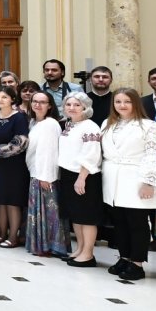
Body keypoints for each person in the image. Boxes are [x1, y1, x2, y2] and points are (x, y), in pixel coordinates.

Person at [100, 88, 156, 281]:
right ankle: (124, 257)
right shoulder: (107, 123)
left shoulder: (148, 126)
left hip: (137, 178)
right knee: (119, 222)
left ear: (135, 104)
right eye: (118, 102)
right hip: (113, 178)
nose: (122, 105)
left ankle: (137, 263)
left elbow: (155, 155)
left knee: (137, 223)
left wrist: (149, 182)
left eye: (127, 102)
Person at [58, 92, 103, 267]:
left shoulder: (89, 126)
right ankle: (80, 248)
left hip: (85, 176)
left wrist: (82, 177)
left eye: (77, 105)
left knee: (86, 217)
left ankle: (88, 254)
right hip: (68, 174)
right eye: (69, 104)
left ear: (85, 107)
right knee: (75, 216)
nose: (72, 108)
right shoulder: (70, 124)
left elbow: (91, 154)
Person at [25, 91, 68, 257]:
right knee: (40, 211)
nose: (38, 105)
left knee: (49, 212)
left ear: (49, 105)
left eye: (42, 102)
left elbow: (50, 152)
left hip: (44, 175)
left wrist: (46, 176)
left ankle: (50, 245)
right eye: (35, 101)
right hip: (35, 172)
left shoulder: (50, 124)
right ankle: (41, 244)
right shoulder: (34, 122)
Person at [0, 87, 29, 248]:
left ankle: (13, 237)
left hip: (14, 166)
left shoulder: (19, 117)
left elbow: (21, 143)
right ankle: (2, 233)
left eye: (4, 97)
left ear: (12, 99)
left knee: (12, 201)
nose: (0, 99)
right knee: (0, 200)